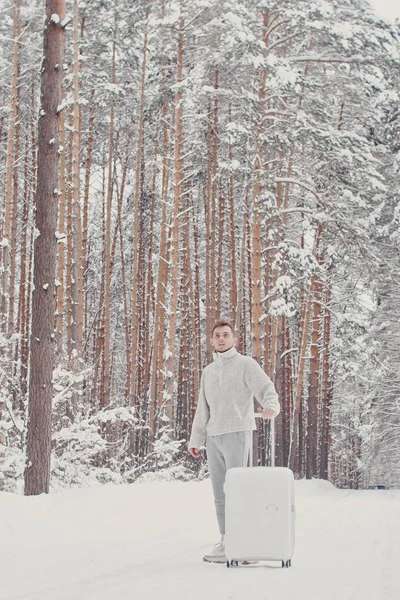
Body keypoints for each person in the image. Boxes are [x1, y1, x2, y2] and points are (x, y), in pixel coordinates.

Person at [188, 320, 280, 563]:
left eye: (226, 335)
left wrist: (271, 405)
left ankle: (246, 541)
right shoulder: (208, 371)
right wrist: (196, 439)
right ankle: (227, 539)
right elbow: (202, 408)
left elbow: (266, 387)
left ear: (234, 340)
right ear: (211, 340)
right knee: (220, 493)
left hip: (237, 433)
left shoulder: (245, 365)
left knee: (239, 490)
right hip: (213, 436)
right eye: (217, 335)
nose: (221, 339)